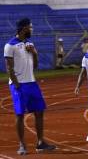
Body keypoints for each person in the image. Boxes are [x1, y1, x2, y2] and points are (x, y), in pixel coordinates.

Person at [4, 18, 56, 155]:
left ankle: (40, 143)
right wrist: (16, 85)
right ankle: (22, 145)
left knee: (39, 112)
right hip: (19, 85)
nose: (32, 29)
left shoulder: (30, 44)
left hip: (32, 83)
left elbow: (36, 66)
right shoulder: (10, 45)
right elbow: (9, 67)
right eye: (30, 27)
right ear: (23, 28)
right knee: (20, 114)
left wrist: (34, 53)